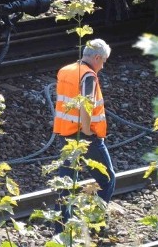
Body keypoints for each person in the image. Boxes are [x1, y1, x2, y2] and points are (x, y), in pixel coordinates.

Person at [52, 38, 116, 230]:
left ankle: (60, 230)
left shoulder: (66, 70)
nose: (103, 66)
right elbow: (85, 106)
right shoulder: (88, 76)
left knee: (66, 184)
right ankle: (94, 222)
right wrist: (88, 131)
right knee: (107, 179)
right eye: (103, 61)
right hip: (85, 137)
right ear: (97, 57)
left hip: (66, 134)